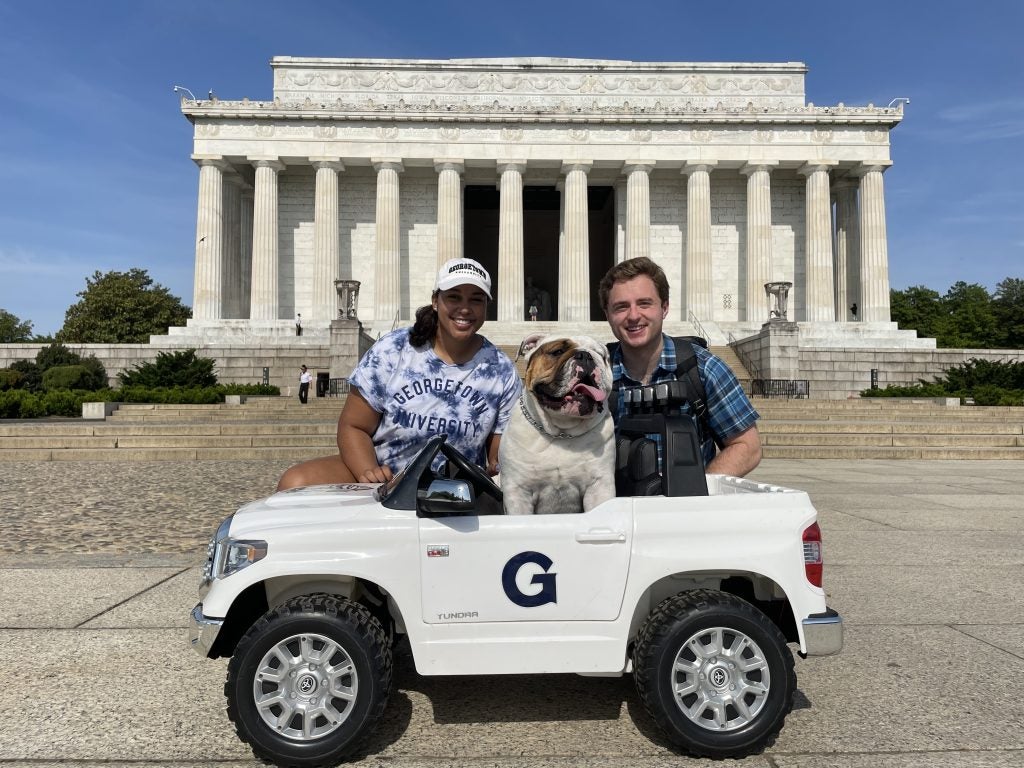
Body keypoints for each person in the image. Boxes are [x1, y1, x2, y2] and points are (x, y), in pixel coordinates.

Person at [277, 258, 522, 490]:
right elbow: (354, 425)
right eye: (454, 297)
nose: (465, 309)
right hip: (385, 470)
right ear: (436, 301)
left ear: (486, 307)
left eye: (476, 300)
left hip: (459, 484)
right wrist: (368, 471)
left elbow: (500, 452)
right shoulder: (394, 349)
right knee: (295, 482)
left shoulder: (500, 370)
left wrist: (500, 466)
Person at [597, 257, 762, 477]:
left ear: (664, 308)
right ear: (607, 315)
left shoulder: (703, 368)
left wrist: (696, 494)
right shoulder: (596, 375)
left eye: (644, 303)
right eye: (621, 307)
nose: (634, 316)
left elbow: (747, 447)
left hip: (685, 509)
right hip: (616, 507)